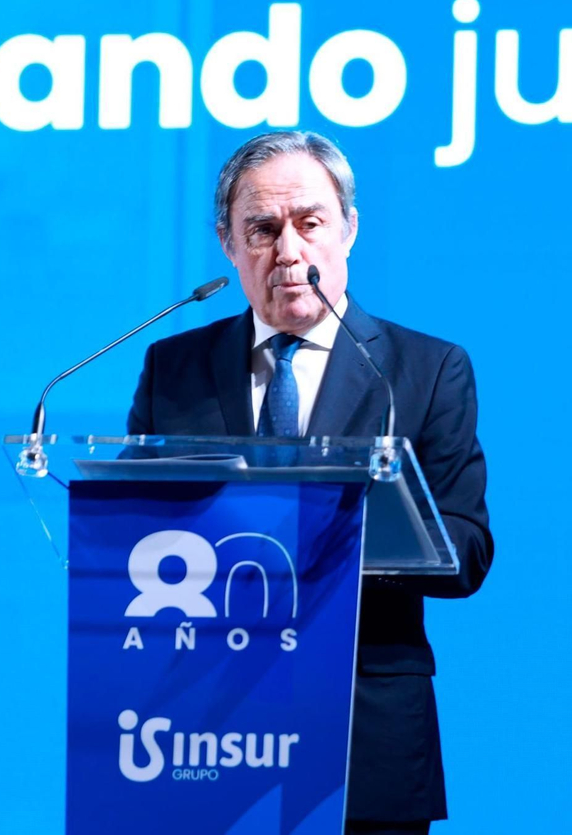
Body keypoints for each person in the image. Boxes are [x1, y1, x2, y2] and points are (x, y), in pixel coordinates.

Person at [127, 130, 494, 834]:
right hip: (203, 729)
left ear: (349, 228)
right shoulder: (172, 368)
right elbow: (139, 533)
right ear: (229, 245)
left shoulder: (424, 370)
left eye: (309, 223)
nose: (288, 253)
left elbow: (468, 550)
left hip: (363, 729)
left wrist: (336, 536)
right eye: (261, 229)